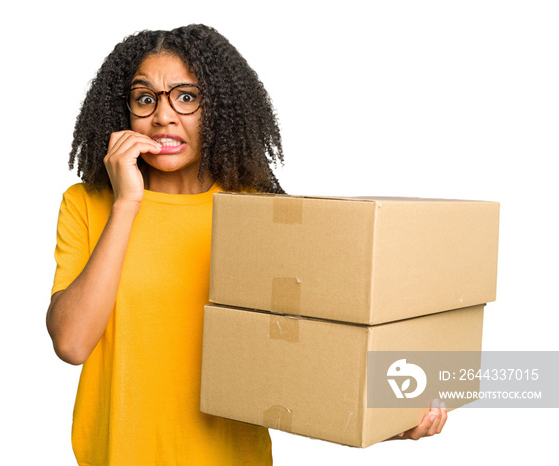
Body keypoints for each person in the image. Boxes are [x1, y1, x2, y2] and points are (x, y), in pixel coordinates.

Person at [46, 24, 446, 466]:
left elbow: (303, 365)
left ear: (219, 109)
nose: (163, 116)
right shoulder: (87, 205)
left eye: (186, 97)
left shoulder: (260, 216)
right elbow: (72, 344)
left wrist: (389, 417)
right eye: (145, 98)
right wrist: (127, 204)